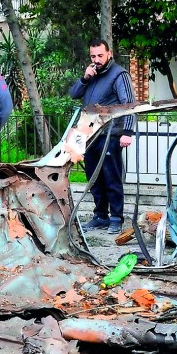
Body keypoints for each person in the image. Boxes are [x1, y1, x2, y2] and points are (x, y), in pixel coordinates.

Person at [69, 38, 136, 233]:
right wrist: (85, 78)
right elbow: (74, 94)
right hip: (89, 135)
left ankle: (116, 218)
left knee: (111, 177)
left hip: (111, 134)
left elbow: (129, 104)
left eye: (100, 55)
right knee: (93, 177)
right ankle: (100, 216)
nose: (96, 59)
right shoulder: (92, 75)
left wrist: (128, 132)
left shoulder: (119, 74)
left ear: (109, 54)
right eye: (93, 56)